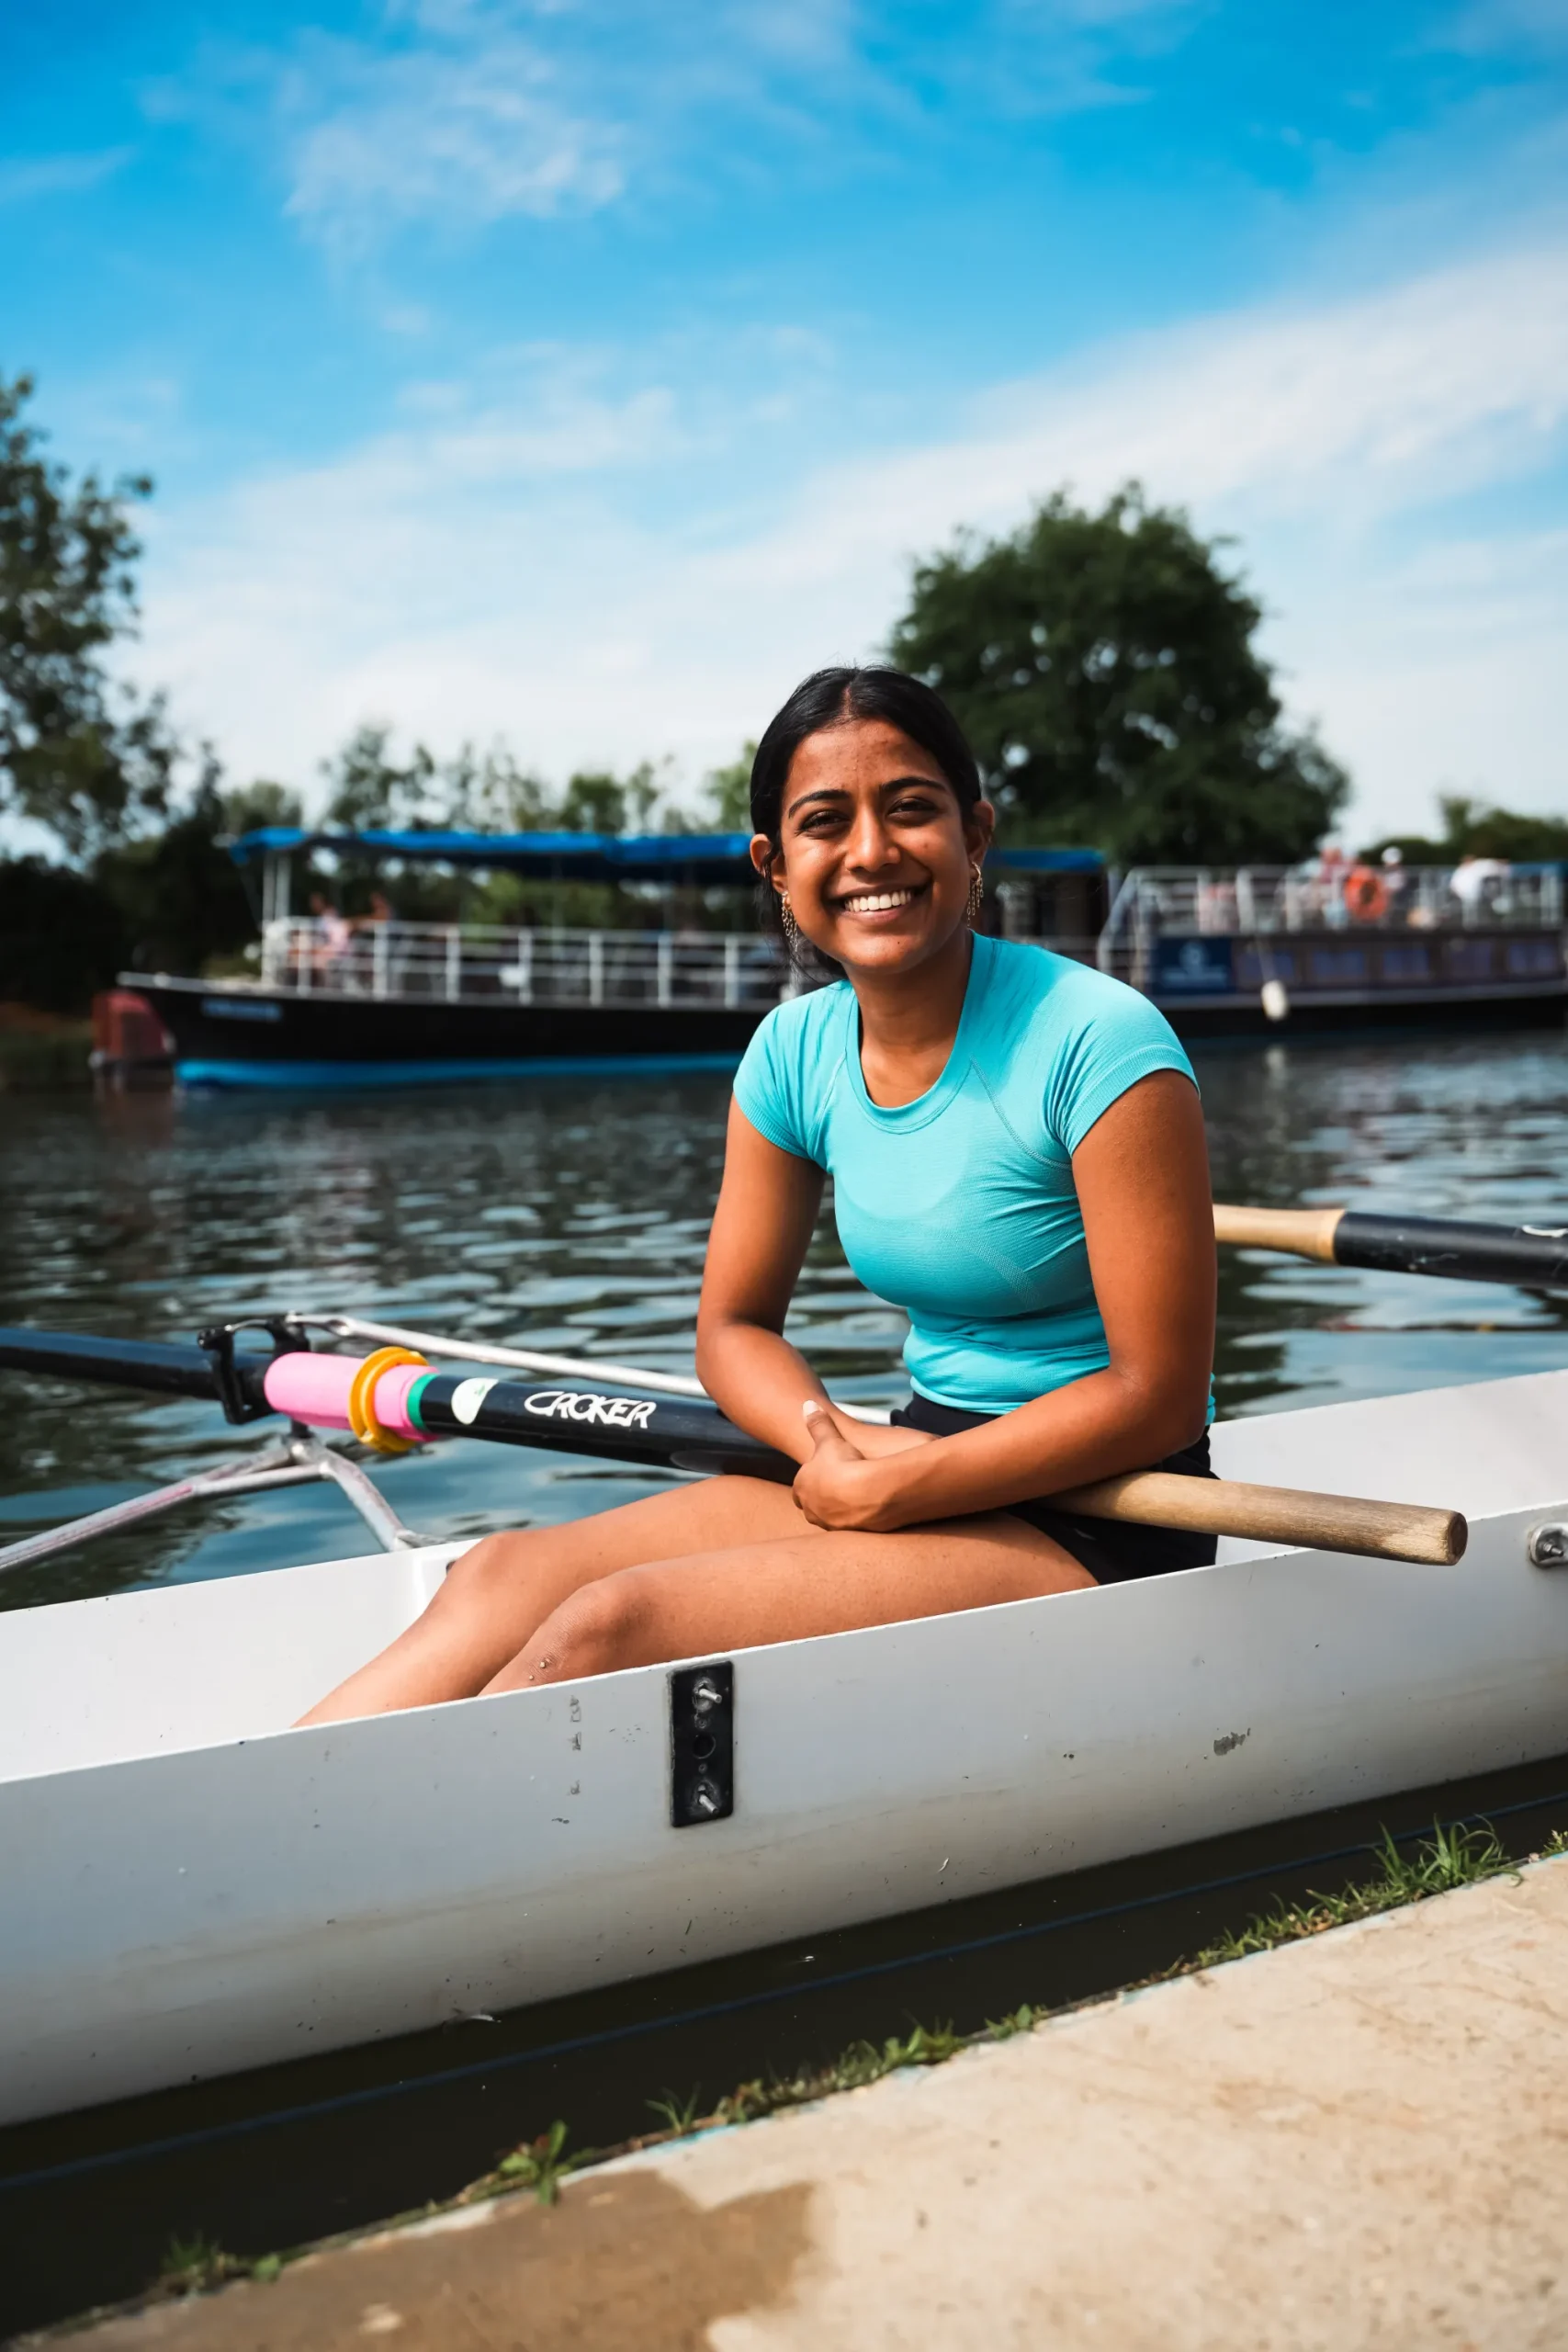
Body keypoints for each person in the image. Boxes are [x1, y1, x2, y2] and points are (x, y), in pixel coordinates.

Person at [299, 667, 1216, 1725]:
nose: (871, 851)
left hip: (1107, 1507)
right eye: (825, 822)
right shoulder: (792, 1052)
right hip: (901, 1454)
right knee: (501, 1574)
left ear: (975, 834)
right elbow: (732, 1329)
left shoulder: (1101, 1038)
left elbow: (1156, 1393)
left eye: (910, 808)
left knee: (611, 1626)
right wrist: (830, 1442)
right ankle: (280, 1805)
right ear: (775, 866)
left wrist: (901, 1486)